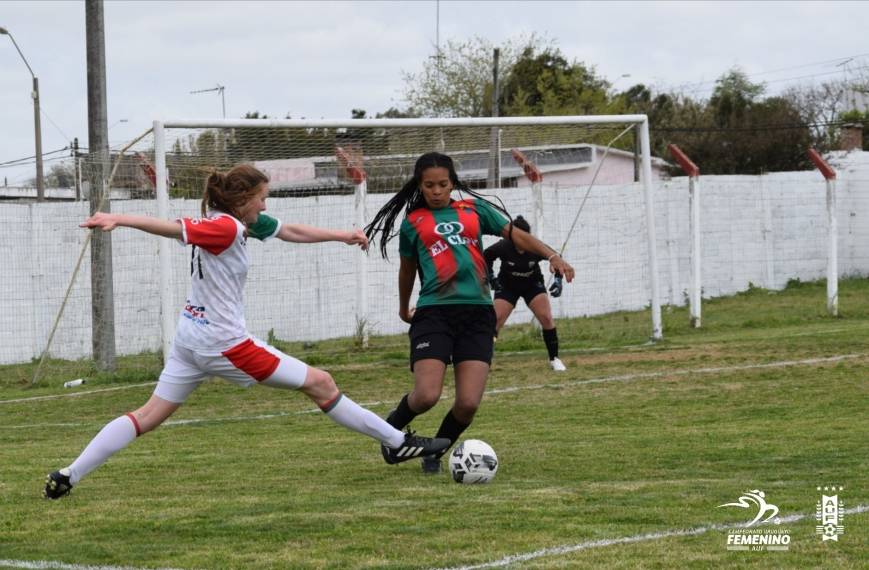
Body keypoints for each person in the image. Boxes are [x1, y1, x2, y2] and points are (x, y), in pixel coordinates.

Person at [44, 164, 449, 500]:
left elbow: (289, 231)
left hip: (191, 339)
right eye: (262, 197)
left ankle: (68, 474)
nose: (265, 204)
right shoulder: (226, 229)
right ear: (243, 200)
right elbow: (170, 227)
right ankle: (398, 442)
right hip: (225, 344)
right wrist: (119, 218)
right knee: (322, 383)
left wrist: (342, 235)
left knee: (147, 416)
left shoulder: (240, 223)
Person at [364, 153, 574, 474]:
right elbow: (407, 271)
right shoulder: (413, 222)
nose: (436, 191)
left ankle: (435, 452)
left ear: (453, 184)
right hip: (434, 313)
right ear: (420, 186)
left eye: (443, 184)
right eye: (429, 185)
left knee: (468, 404)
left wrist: (552, 255)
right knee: (426, 396)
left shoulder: (474, 211)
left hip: (477, 315)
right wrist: (403, 306)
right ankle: (391, 434)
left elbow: (517, 235)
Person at [484, 215, 567, 371]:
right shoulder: (503, 246)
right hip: (507, 286)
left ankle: (554, 359)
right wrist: (491, 277)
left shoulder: (536, 247)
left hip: (532, 285)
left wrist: (558, 280)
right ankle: (485, 359)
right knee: (495, 320)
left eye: (525, 238)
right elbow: (486, 255)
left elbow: (557, 259)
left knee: (546, 317)